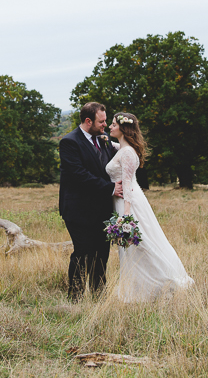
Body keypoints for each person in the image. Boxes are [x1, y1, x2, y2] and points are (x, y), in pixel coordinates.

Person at [107, 112, 194, 301]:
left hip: (129, 203)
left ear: (123, 128)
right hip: (123, 201)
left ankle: (164, 281)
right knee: (132, 246)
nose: (110, 127)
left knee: (142, 243)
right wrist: (103, 139)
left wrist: (127, 214)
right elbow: (115, 147)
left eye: (113, 124)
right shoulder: (122, 148)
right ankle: (137, 286)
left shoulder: (128, 152)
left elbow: (128, 184)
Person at [59, 102, 123, 299]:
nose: (105, 125)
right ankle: (75, 298)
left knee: (102, 255)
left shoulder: (103, 140)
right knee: (83, 252)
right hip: (78, 210)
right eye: (101, 121)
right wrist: (110, 188)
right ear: (88, 121)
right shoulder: (69, 142)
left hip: (102, 209)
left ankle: (98, 297)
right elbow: (79, 175)